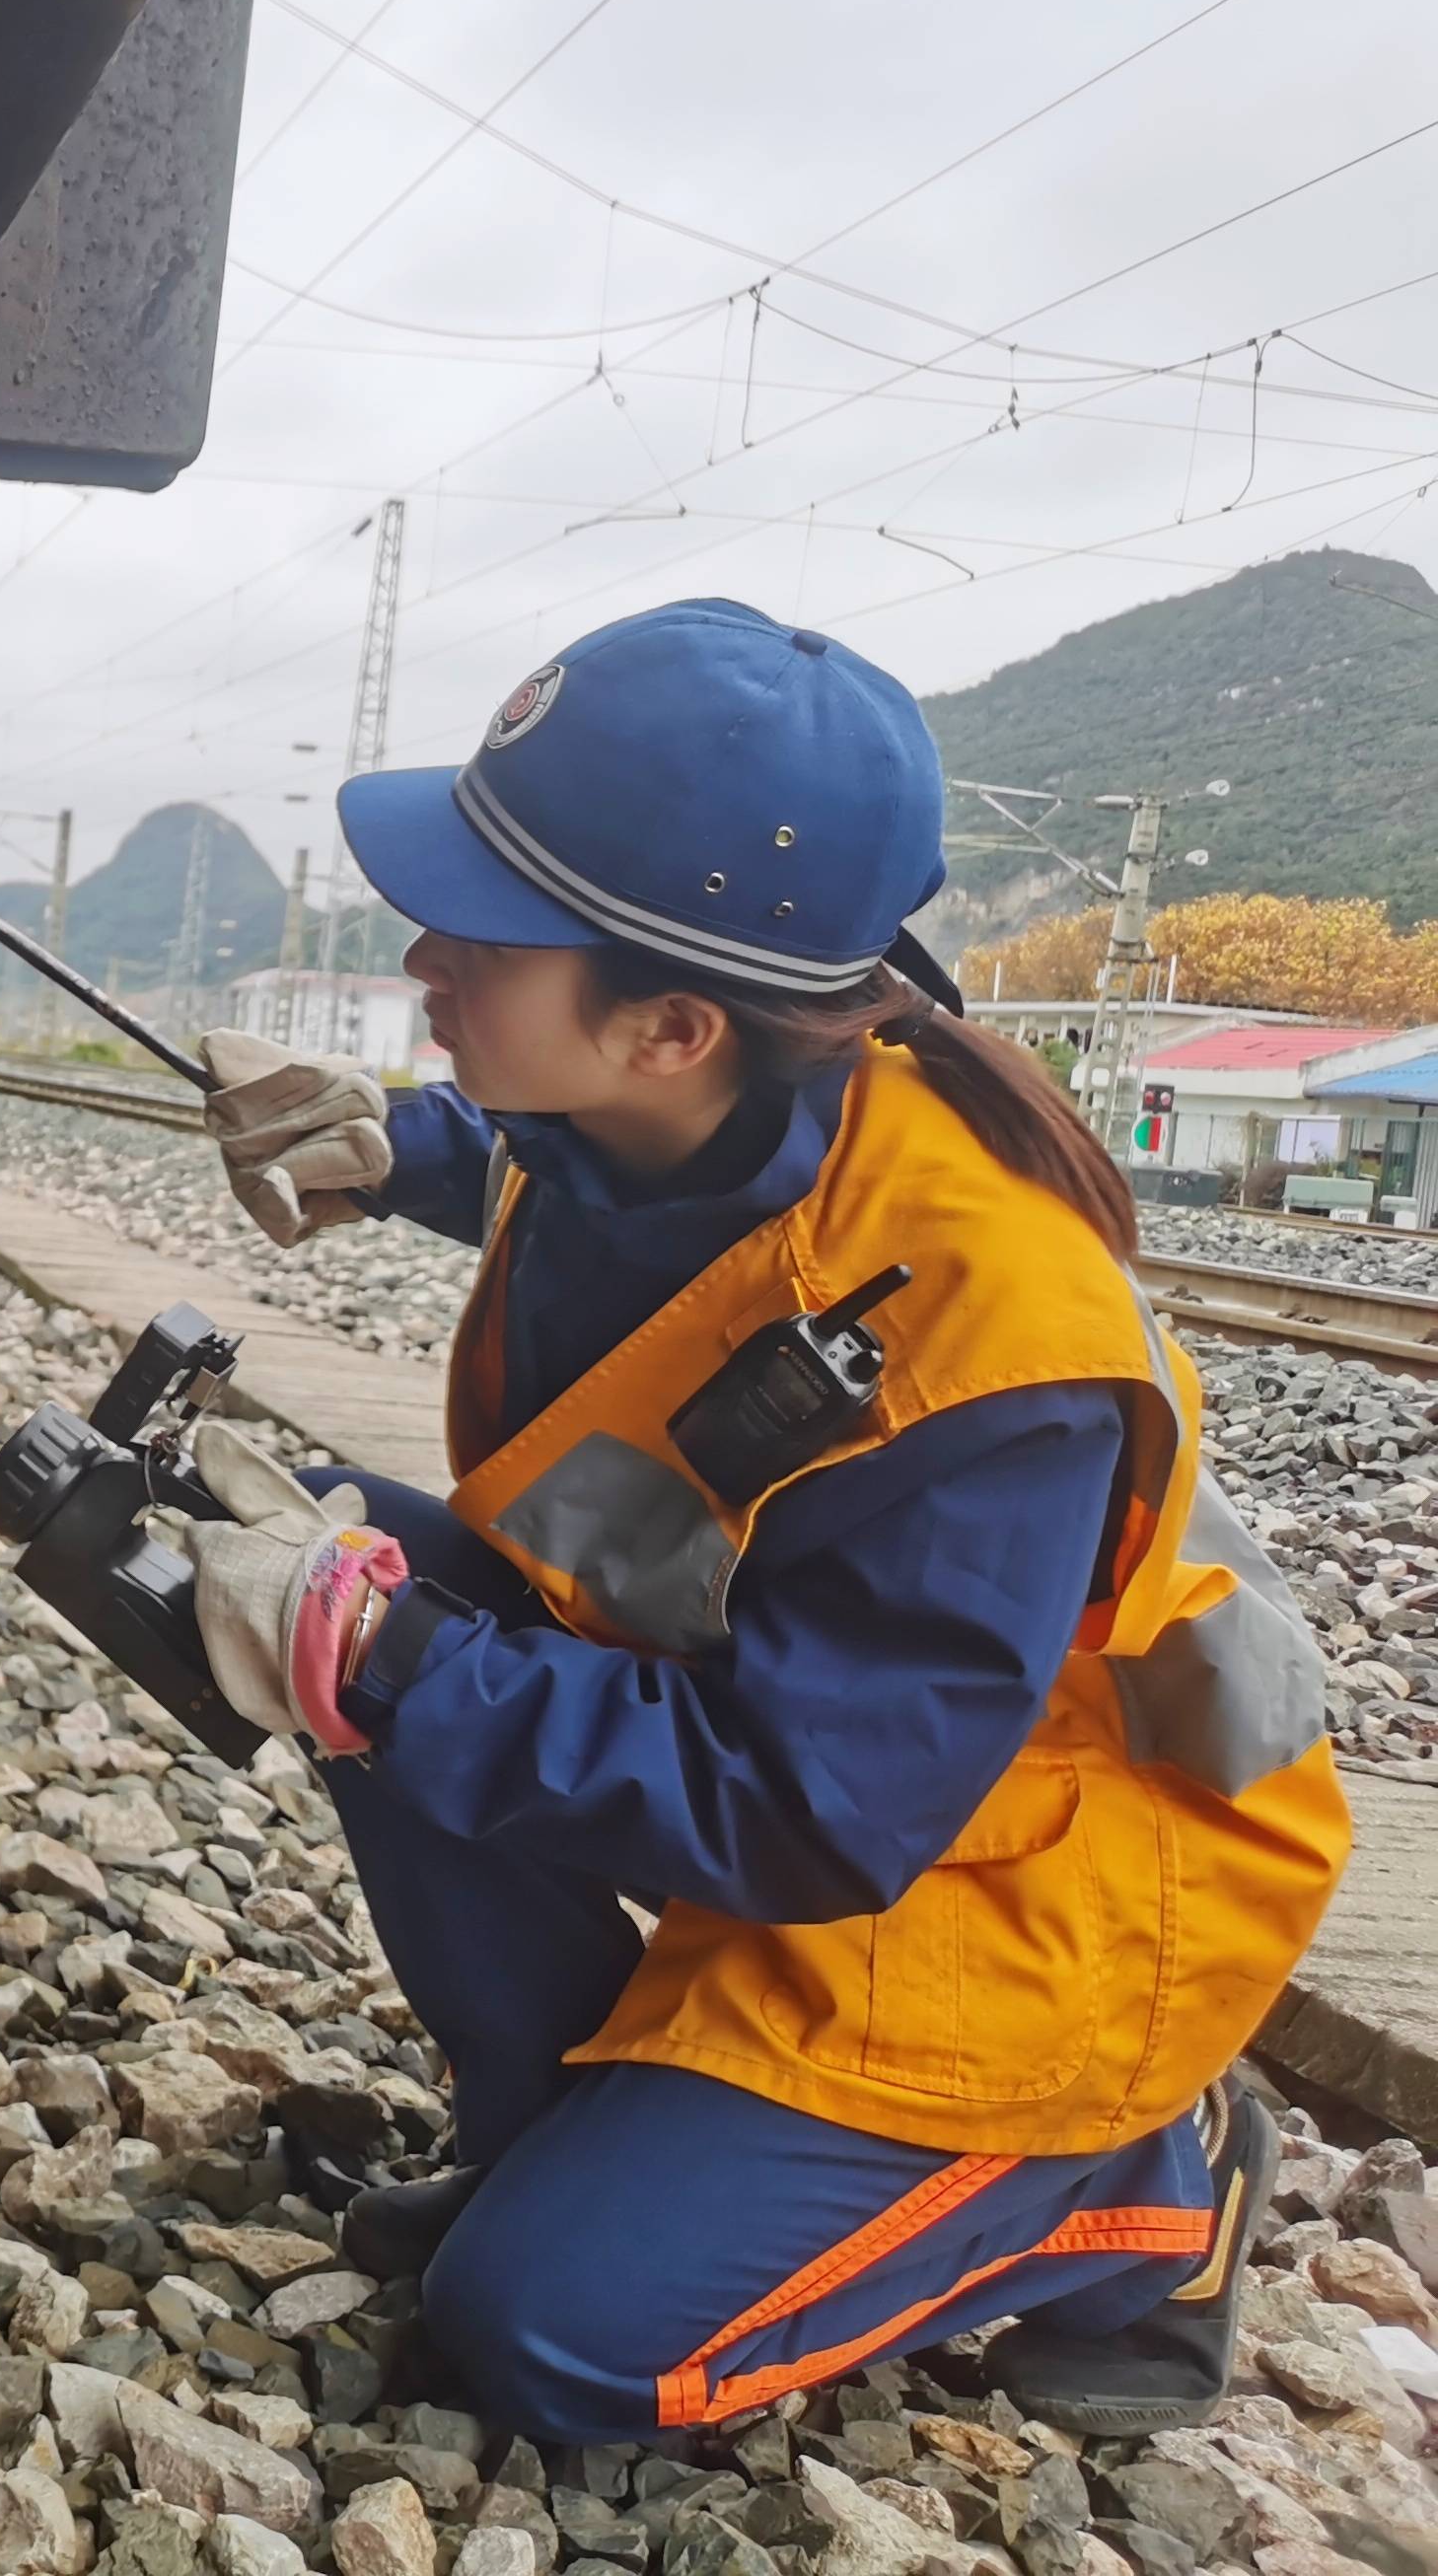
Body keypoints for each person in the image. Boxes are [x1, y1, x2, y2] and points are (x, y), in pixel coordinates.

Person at [180, 598, 1349, 2442]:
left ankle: (1144, 2181)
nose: (423, 950)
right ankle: (559, 2133)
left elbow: (816, 1810)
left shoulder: (994, 1339)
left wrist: (395, 1664)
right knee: (341, 1556)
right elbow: (614, 1184)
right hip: (866, 1778)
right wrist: (396, 1141)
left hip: (1027, 1891)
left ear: (668, 1022)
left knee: (555, 2338)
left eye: (481, 931)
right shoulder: (713, 1097)